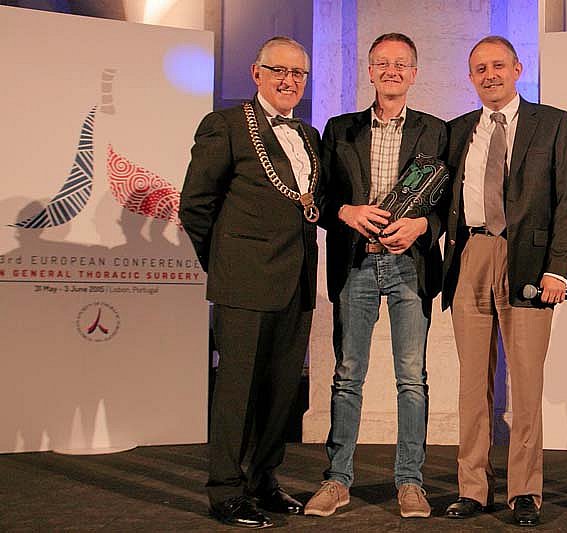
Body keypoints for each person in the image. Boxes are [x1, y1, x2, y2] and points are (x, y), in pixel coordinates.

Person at [179, 36, 322, 529]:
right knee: (237, 390)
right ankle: (226, 490)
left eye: (298, 73)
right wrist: (223, 263)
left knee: (281, 391)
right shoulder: (224, 125)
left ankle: (264, 480)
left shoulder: (309, 135)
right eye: (278, 70)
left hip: (296, 281)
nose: (288, 81)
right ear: (256, 73)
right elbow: (196, 206)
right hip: (243, 282)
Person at [303, 33, 447, 519]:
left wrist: (422, 225)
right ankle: (337, 479)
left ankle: (410, 482)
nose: (391, 70)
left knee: (412, 378)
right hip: (356, 263)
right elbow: (319, 198)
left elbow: (449, 202)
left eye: (401, 63)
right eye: (382, 63)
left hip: (410, 264)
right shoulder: (339, 129)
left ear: (414, 73)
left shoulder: (436, 131)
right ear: (369, 71)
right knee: (348, 375)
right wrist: (345, 211)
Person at [441, 36, 567, 527]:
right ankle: (472, 489)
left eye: (498, 65)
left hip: (530, 261)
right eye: (480, 68)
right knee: (471, 385)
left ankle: (525, 491)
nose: (490, 75)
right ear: (470, 77)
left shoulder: (553, 122)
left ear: (517, 69)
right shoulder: (457, 130)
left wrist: (558, 268)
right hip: (470, 254)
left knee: (525, 383)